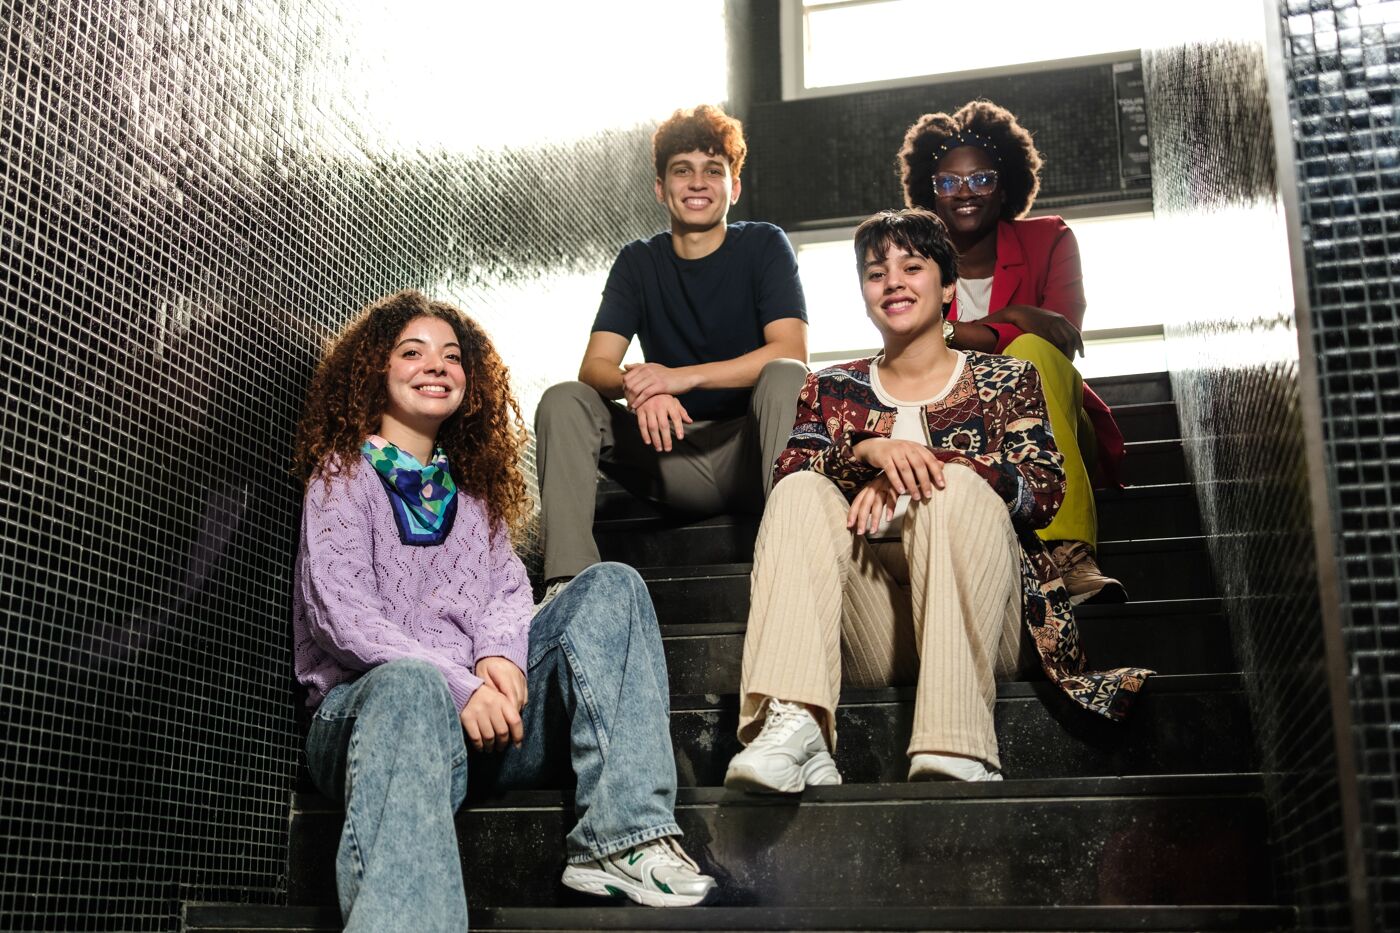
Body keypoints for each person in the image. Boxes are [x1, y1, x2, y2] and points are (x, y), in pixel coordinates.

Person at [291, 290, 715, 931]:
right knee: (408, 684)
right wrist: (461, 686)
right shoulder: (341, 477)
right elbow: (341, 613)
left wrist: (500, 658)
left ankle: (622, 840)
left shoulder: (475, 495)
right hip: (374, 724)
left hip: (484, 730)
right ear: (374, 370)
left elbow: (508, 592)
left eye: (452, 356)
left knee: (611, 586)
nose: (436, 366)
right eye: (413, 352)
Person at [723, 210, 1151, 792]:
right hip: (874, 631)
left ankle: (956, 743)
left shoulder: (1008, 379)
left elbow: (1043, 491)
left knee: (952, 493)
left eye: (912, 267)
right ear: (864, 293)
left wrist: (928, 467)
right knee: (800, 489)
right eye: (876, 273)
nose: (893, 281)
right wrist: (869, 451)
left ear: (947, 287)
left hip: (987, 626)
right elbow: (789, 470)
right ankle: (798, 724)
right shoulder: (830, 388)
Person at [534, 104, 808, 602]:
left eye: (713, 171)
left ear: (735, 187)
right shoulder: (638, 262)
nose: (697, 182)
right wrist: (639, 388)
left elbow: (790, 349)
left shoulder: (764, 245)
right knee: (564, 399)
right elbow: (595, 367)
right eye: (683, 170)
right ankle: (568, 588)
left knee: (786, 374)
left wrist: (679, 378)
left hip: (753, 452)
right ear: (661, 188)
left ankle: (793, 564)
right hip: (669, 451)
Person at [898, 99, 1127, 604]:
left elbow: (1058, 338)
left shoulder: (1049, 240)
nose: (965, 193)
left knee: (1031, 352)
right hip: (969, 435)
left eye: (980, 179)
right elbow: (916, 351)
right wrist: (1019, 313)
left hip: (1057, 431)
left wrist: (962, 332)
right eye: (948, 183)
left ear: (1006, 184)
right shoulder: (914, 265)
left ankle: (1068, 553)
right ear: (928, 194)